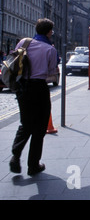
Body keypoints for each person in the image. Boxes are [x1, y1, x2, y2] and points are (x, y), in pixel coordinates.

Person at [9, 18, 58, 176]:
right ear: (49, 32)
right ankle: (33, 165)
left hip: (22, 87)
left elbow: (15, 61)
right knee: (40, 127)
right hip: (39, 88)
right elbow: (51, 74)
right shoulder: (50, 50)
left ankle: (15, 157)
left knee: (25, 123)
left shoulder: (24, 42)